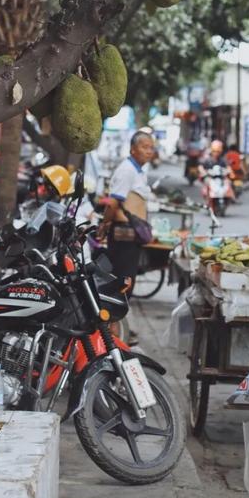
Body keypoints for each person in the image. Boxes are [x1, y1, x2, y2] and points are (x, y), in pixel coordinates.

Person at [98, 131, 155, 342]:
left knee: (126, 282)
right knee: (122, 283)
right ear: (133, 149)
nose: (149, 151)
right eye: (145, 147)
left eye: (151, 147)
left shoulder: (139, 171)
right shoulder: (127, 170)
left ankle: (116, 327)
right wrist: (104, 224)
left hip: (131, 237)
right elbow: (113, 203)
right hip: (123, 236)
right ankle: (112, 333)